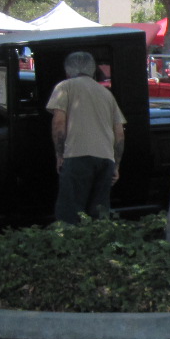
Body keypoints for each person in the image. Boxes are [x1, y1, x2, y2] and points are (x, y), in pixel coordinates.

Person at [47, 50, 126, 225]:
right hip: (105, 159)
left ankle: (71, 248)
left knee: (70, 215)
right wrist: (116, 165)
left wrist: (59, 155)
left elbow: (59, 123)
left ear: (68, 71)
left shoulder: (65, 87)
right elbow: (119, 133)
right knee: (99, 214)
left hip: (76, 156)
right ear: (93, 71)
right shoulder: (106, 94)